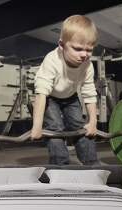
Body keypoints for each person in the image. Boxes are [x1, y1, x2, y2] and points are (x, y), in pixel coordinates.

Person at [30, 15, 99, 165]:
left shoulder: (87, 65)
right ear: (61, 44)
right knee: (55, 129)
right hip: (50, 97)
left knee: (80, 129)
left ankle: (92, 164)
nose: (84, 55)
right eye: (78, 49)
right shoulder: (52, 60)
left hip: (71, 97)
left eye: (89, 50)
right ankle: (60, 165)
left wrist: (93, 122)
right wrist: (37, 125)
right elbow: (41, 94)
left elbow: (89, 93)